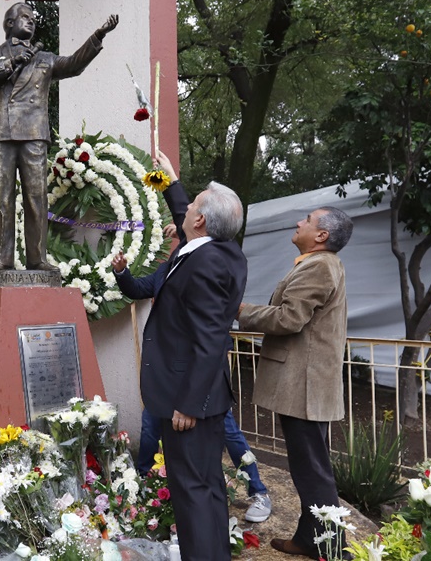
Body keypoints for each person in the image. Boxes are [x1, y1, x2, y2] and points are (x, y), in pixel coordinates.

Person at [112, 152, 271, 523]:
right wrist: (168, 180)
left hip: (192, 394)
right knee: (199, 488)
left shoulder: (206, 261)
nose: (182, 215)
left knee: (197, 492)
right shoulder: (206, 252)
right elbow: (192, 216)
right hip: (170, 388)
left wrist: (189, 401)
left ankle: (256, 489)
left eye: (192, 207)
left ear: (198, 222)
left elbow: (210, 339)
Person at [237, 207, 354, 560]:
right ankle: (308, 539)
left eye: (307, 219)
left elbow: (289, 318)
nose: (299, 222)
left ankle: (334, 550)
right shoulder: (320, 264)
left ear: (321, 235)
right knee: (308, 467)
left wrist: (239, 309)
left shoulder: (319, 265)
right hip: (308, 384)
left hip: (306, 386)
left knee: (312, 471)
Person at [0, 2, 119, 272]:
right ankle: (2, 259)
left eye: (32, 18)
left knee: (36, 198)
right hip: (1, 133)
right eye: (24, 17)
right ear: (9, 24)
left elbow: (73, 65)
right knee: (2, 200)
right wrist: (10, 62)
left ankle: (37, 258)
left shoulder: (45, 58)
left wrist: (98, 37)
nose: (31, 21)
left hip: (35, 134)